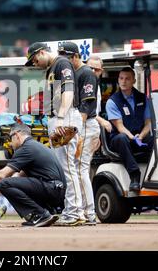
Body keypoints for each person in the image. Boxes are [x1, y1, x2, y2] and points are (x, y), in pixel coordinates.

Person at [24, 42, 84, 226]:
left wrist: (60, 117)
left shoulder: (61, 63)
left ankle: (75, 213)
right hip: (60, 116)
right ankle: (74, 211)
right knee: (65, 167)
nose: (35, 63)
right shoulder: (53, 67)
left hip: (64, 117)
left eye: (35, 59)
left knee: (67, 167)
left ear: (42, 52)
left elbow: (68, 92)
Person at [0, 124, 66, 227]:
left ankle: (39, 215)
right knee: (6, 184)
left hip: (52, 189)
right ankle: (45, 213)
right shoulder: (35, 146)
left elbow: (2, 175)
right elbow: (19, 175)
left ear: (17, 135)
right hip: (57, 192)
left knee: (4, 183)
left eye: (11, 138)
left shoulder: (26, 148)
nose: (10, 143)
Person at [58, 42, 99, 226]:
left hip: (86, 125)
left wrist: (78, 132)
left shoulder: (86, 73)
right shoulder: (74, 73)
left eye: (66, 56)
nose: (63, 60)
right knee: (77, 169)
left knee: (81, 170)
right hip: (81, 125)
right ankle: (84, 212)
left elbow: (86, 106)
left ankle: (89, 213)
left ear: (75, 56)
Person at [106, 67, 153, 191]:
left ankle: (156, 173)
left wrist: (141, 136)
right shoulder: (113, 101)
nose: (123, 81)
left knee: (156, 139)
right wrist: (133, 137)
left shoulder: (143, 98)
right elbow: (120, 127)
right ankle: (134, 175)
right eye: (121, 78)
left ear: (134, 81)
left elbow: (148, 123)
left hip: (139, 137)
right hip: (121, 139)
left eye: (127, 79)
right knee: (122, 138)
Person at [86, 55, 113, 133]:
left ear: (101, 71)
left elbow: (95, 112)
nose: (93, 71)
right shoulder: (80, 85)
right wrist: (102, 121)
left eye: (96, 69)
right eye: (90, 68)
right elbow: (83, 111)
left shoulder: (96, 86)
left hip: (92, 127)